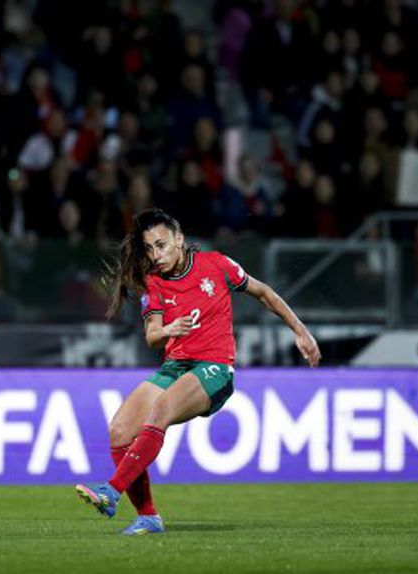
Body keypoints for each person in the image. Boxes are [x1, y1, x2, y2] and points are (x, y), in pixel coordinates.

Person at [75, 208, 320, 534]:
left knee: (159, 409)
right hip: (175, 367)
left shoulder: (217, 265)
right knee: (119, 429)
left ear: (179, 239)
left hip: (214, 369)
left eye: (161, 245)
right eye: (148, 249)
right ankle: (148, 516)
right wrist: (169, 329)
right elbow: (152, 336)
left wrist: (301, 331)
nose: (155, 255)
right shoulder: (154, 282)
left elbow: (264, 293)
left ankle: (111, 490)